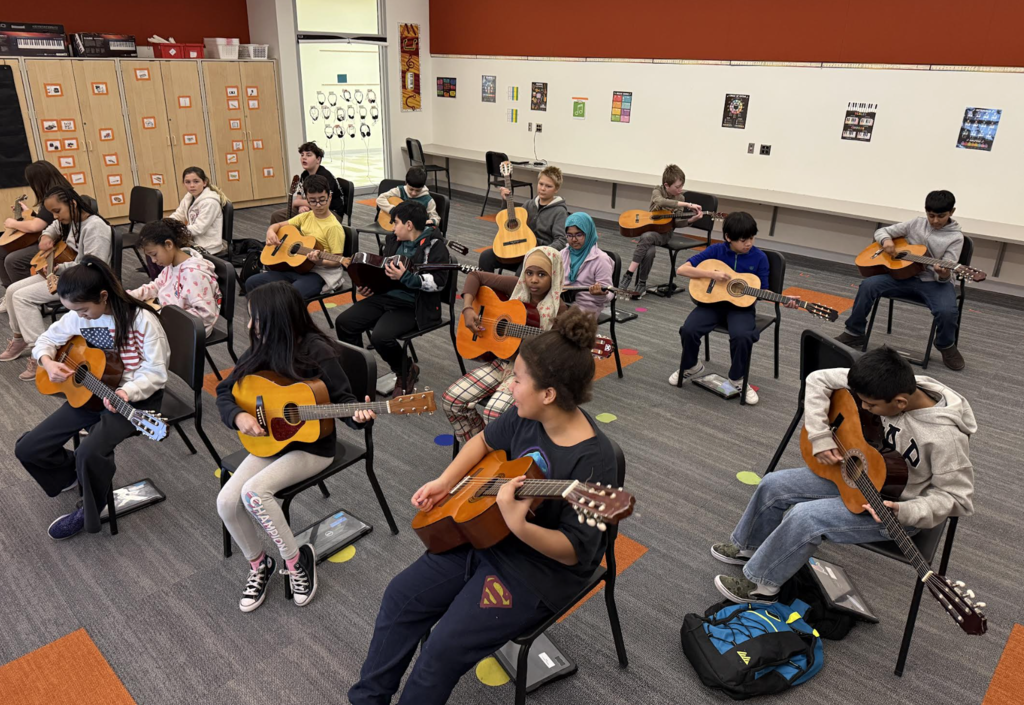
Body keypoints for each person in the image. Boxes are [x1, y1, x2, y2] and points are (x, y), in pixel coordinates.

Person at [348, 308, 617, 705]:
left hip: (535, 571)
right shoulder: (527, 417)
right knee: (399, 597)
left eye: (518, 380)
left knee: (440, 651)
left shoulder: (595, 462)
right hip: (484, 535)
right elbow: (483, 443)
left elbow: (575, 551)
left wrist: (520, 525)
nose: (509, 387)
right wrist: (445, 483)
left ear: (548, 394)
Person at [709, 346, 976, 605]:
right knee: (773, 483)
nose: (863, 407)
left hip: (892, 508)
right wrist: (821, 434)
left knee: (805, 516)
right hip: (861, 475)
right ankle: (748, 546)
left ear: (900, 402)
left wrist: (906, 510)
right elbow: (818, 378)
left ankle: (763, 586)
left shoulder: (945, 439)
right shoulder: (887, 382)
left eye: (870, 405)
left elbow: (957, 498)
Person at [216, 282, 375, 611]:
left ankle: (296, 561)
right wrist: (238, 416)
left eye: (256, 320)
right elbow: (224, 390)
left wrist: (360, 417)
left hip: (314, 447)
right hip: (272, 441)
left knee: (253, 494)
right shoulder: (261, 347)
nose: (249, 327)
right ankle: (260, 564)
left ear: (279, 320)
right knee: (226, 501)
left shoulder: (317, 350)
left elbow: (344, 402)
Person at [15, 257, 169, 540]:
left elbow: (157, 373)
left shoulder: (142, 320)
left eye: (84, 309)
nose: (79, 316)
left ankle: (91, 508)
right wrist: (48, 362)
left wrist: (127, 392)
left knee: (90, 452)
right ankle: (73, 474)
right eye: (74, 311)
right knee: (28, 449)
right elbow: (45, 341)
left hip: (135, 400)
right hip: (91, 393)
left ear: (103, 296)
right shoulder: (78, 315)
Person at [669, 212, 799, 406]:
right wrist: (711, 275)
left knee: (742, 336)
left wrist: (783, 299)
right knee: (689, 329)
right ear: (728, 238)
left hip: (742, 308)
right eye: (743, 240)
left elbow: (763, 291)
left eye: (752, 238)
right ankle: (691, 366)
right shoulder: (716, 251)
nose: (748, 243)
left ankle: (737, 378)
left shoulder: (759, 258)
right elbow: (682, 270)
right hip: (711, 304)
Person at [443, 246, 566, 442]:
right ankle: (478, 445)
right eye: (529, 273)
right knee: (451, 400)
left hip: (528, 372)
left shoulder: (561, 311)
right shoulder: (516, 286)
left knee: (494, 413)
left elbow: (562, 356)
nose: (533, 280)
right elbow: (475, 276)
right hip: (502, 362)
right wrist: (467, 309)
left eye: (542, 274)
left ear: (554, 275)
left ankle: (501, 455)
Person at [836, 190, 966, 371]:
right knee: (868, 285)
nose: (935, 221)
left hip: (933, 283)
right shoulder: (916, 224)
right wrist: (887, 242)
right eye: (931, 215)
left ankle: (945, 345)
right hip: (902, 276)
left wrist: (943, 273)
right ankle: (855, 332)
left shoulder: (956, 238)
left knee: (947, 311)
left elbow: (946, 272)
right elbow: (882, 231)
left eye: (941, 216)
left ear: (952, 212)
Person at [335, 200, 450, 396]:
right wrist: (369, 285)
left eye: (395, 222)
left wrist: (406, 277)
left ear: (409, 225)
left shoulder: (435, 246)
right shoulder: (393, 241)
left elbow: (438, 283)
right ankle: (359, 373)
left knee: (381, 337)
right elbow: (381, 269)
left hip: (415, 306)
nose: (392, 227)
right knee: (344, 322)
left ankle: (405, 370)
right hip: (384, 297)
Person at [1, 187, 113, 380]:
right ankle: (19, 338)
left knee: (22, 297)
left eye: (57, 211)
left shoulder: (95, 227)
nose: (55, 216)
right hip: (70, 273)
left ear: (73, 204)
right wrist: (47, 239)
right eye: (52, 212)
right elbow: (53, 228)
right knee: (11, 290)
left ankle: (42, 355)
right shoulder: (72, 221)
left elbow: (93, 266)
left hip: (85, 281)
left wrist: (62, 269)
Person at [249, 175, 347, 298]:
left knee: (290, 295)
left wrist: (320, 260)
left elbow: (337, 261)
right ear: (307, 200)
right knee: (252, 283)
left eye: (322, 199)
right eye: (312, 201)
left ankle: (284, 315)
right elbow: (278, 225)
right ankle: (261, 316)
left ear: (330, 197)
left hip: (320, 273)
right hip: (295, 267)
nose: (318, 205)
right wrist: (270, 231)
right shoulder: (306, 216)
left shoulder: (333, 227)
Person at [619, 164, 704, 298]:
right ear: (666, 185)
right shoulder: (657, 191)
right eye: (677, 187)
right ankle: (641, 283)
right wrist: (687, 205)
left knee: (646, 237)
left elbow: (677, 222)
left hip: (665, 234)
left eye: (682, 186)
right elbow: (661, 201)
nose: (680, 189)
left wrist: (692, 219)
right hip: (651, 228)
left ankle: (628, 274)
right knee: (650, 251)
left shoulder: (680, 198)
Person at [126, 218, 221, 336]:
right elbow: (156, 286)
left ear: (168, 244)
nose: (153, 261)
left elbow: (205, 315)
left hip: (190, 329)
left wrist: (163, 316)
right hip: (170, 315)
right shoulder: (172, 265)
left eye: (154, 255)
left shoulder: (194, 274)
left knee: (134, 330)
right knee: (131, 319)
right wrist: (128, 296)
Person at [0, 161, 74, 311]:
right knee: (3, 250)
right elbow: (46, 220)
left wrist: (12, 223)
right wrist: (29, 212)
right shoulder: (55, 192)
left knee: (13, 260)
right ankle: (10, 293)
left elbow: (36, 226)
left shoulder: (56, 195)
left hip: (60, 244)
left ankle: (28, 300)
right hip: (50, 238)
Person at [478, 165, 568, 273]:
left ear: (556, 189)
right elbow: (508, 221)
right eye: (541, 184)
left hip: (538, 255)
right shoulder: (528, 204)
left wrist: (541, 252)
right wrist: (505, 201)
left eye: (548, 186)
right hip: (519, 247)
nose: (543, 188)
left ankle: (513, 289)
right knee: (486, 257)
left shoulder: (559, 212)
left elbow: (561, 240)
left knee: (524, 269)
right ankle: (488, 288)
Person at [270, 141, 346, 225]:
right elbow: (299, 197)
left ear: (318, 159)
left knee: (306, 220)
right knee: (276, 216)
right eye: (302, 155)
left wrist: (299, 203)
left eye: (308, 155)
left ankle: (301, 238)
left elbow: (322, 202)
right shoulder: (304, 175)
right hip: (312, 207)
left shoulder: (324, 177)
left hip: (330, 212)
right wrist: (301, 206)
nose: (304, 158)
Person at [560, 212, 614, 315]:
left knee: (563, 324)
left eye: (579, 235)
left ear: (588, 233)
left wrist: (601, 294)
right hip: (562, 301)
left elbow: (609, 294)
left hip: (588, 306)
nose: (574, 240)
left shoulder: (601, 259)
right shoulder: (563, 253)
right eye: (569, 235)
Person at [170, 167, 229, 256]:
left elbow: (199, 228)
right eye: (188, 182)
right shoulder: (189, 197)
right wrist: (166, 224)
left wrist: (176, 229)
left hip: (208, 248)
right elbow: (179, 215)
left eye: (196, 181)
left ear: (204, 182)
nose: (192, 185)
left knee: (166, 250)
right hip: (193, 243)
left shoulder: (210, 202)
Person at [376, 165, 441, 228]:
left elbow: (436, 218)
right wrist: (392, 210)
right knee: (390, 238)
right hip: (397, 227)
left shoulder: (427, 200)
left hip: (414, 232)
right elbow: (380, 199)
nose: (413, 193)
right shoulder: (400, 191)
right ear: (406, 183)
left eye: (418, 190)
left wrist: (432, 221)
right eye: (411, 189)